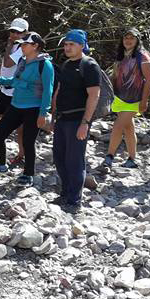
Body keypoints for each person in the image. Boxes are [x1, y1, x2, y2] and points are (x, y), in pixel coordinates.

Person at [0, 32, 54, 185]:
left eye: (25, 44)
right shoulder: (22, 61)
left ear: (35, 46)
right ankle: (1, 165)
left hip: (33, 108)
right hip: (16, 105)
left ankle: (28, 174)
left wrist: (43, 113)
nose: (22, 46)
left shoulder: (45, 65)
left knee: (28, 141)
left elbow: (48, 91)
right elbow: (14, 81)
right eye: (22, 44)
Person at [51, 29, 102, 211]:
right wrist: (52, 116)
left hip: (78, 120)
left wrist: (85, 123)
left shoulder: (89, 65)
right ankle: (65, 193)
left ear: (82, 45)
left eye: (72, 44)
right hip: (63, 119)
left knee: (74, 160)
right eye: (66, 44)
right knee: (59, 157)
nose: (68, 47)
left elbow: (94, 95)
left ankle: (74, 199)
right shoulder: (65, 65)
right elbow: (59, 90)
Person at [103, 28, 150, 170]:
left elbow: (149, 80)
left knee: (118, 125)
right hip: (119, 97)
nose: (128, 40)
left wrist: (144, 101)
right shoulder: (122, 55)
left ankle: (109, 157)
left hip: (135, 99)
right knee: (128, 127)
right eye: (126, 38)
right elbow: (115, 75)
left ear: (137, 40)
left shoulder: (143, 56)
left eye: (132, 38)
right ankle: (132, 159)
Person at [0, 17, 29, 164]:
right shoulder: (14, 46)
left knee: (20, 128)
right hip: (5, 89)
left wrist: (9, 45)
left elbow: (8, 63)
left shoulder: (23, 47)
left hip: (17, 92)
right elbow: (4, 65)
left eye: (18, 32)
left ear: (25, 33)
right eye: (12, 31)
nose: (14, 34)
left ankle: (22, 155)